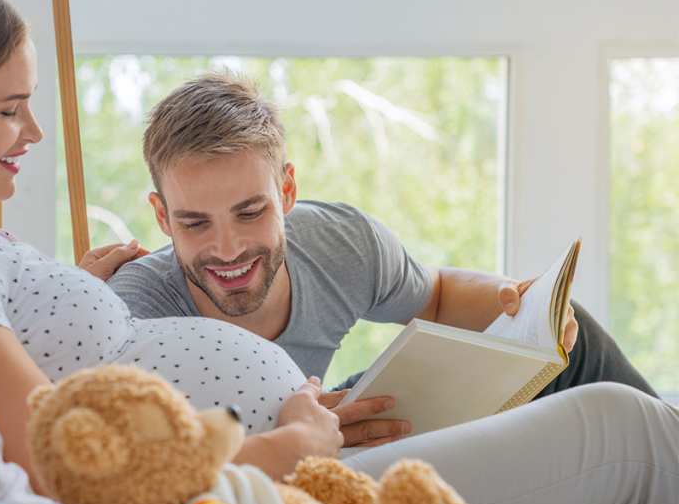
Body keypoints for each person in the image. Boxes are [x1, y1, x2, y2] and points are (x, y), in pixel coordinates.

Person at [0, 0, 678, 504]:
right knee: (626, 430)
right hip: (281, 485)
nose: (34, 132)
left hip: (309, 452)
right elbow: (71, 464)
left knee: (595, 378)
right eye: (11, 109)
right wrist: (286, 446)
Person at [107, 71, 659, 447]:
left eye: (250, 213)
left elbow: (437, 295)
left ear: (287, 192)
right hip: (279, 453)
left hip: (333, 412)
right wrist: (296, 434)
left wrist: (519, 301)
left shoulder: (338, 241)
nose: (227, 249)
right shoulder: (135, 309)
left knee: (570, 333)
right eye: (194, 222)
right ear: (161, 217)